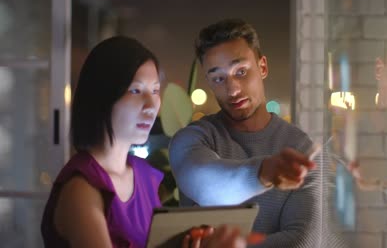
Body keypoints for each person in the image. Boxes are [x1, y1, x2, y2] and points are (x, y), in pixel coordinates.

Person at [41, 36, 249, 248]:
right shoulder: (82, 191)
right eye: (136, 90)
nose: (151, 105)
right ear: (102, 95)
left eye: (156, 91)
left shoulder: (144, 176)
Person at [169, 19, 341, 247]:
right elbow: (208, 187)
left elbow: (304, 240)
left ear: (262, 67)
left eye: (241, 71)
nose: (232, 89)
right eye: (218, 78)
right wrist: (264, 172)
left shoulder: (300, 148)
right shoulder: (192, 140)